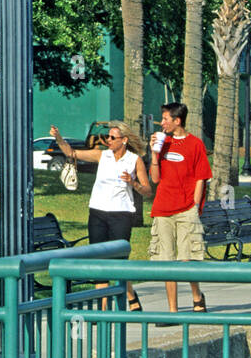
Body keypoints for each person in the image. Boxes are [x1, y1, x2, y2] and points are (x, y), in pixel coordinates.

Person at [49, 121, 151, 311]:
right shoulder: (102, 156)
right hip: (97, 212)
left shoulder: (133, 160)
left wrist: (133, 183)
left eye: (112, 138)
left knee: (118, 260)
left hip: (121, 214)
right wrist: (58, 137)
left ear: (124, 140)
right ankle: (103, 307)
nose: (108, 141)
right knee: (98, 260)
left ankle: (131, 296)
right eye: (107, 137)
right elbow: (71, 153)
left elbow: (147, 190)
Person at [148, 101, 212, 314]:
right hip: (163, 210)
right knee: (166, 262)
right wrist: (155, 155)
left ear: (177, 121)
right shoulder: (162, 144)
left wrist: (194, 205)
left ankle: (197, 296)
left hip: (186, 210)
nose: (162, 122)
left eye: (166, 119)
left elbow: (201, 178)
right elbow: (155, 180)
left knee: (187, 259)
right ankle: (172, 310)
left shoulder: (195, 144)